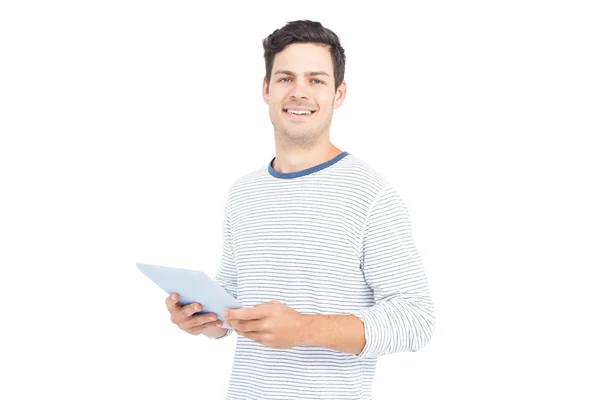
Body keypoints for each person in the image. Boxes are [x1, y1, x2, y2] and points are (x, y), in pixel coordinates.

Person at [165, 19, 435, 400]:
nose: (299, 92)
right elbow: (233, 302)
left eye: (316, 80)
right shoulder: (243, 193)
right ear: (266, 89)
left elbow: (416, 319)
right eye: (286, 78)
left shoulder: (371, 193)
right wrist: (204, 319)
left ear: (339, 94)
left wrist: (305, 329)